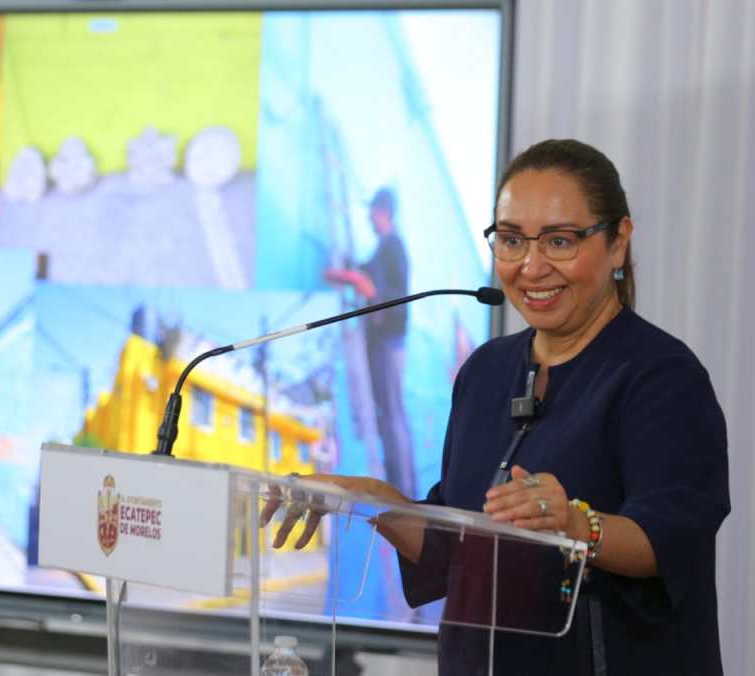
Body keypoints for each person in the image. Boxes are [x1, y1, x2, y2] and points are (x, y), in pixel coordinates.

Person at [269, 140, 730, 675]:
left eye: (559, 241)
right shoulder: (485, 372)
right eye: (511, 241)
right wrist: (369, 498)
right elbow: (453, 549)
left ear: (618, 242)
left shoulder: (661, 376)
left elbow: (669, 541)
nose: (531, 267)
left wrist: (575, 523)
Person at [324, 187, 416, 498]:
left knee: (392, 414)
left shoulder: (394, 246)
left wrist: (361, 284)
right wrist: (350, 273)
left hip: (389, 339)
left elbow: (397, 296)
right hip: (381, 340)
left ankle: (403, 489)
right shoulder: (382, 249)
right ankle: (396, 482)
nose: (368, 218)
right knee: (386, 413)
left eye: (372, 212)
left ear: (383, 212)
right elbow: (365, 272)